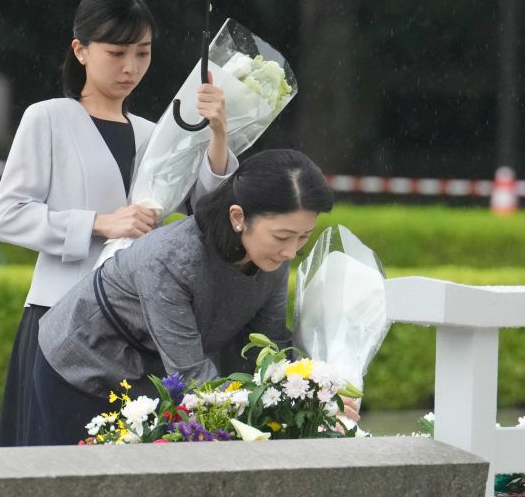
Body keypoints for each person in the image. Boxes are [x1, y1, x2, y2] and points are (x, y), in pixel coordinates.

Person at [0, 0, 237, 447]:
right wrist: (101, 223)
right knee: (51, 465)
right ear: (80, 50)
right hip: (57, 320)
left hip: (136, 330)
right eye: (116, 52)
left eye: (142, 53)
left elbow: (209, 217)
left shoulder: (157, 134)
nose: (131, 68)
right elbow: (7, 216)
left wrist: (218, 135)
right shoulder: (47, 119)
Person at [26, 148, 338, 446]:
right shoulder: (171, 259)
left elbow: (270, 350)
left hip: (156, 375)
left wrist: (317, 396)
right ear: (238, 216)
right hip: (83, 365)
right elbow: (191, 375)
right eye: (282, 236)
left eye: (303, 238)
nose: (290, 251)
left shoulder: (273, 260)